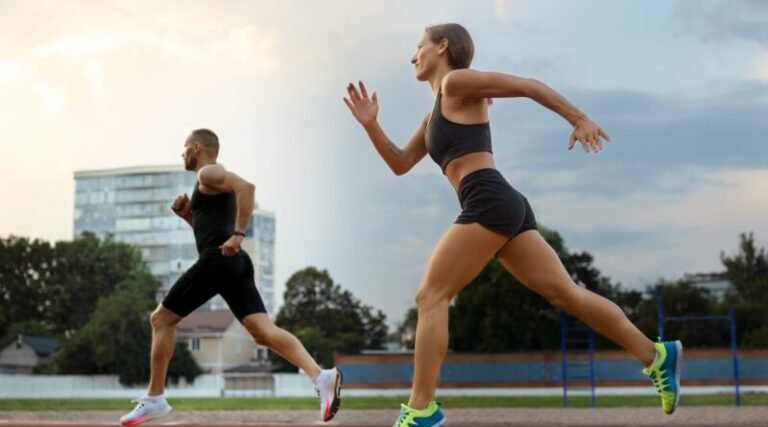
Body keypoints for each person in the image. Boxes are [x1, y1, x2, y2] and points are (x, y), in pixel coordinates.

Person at [343, 24, 681, 427]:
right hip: (500, 203)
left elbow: (526, 84)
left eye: (419, 46)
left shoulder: (456, 82)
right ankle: (656, 355)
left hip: (487, 198)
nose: (413, 56)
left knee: (430, 297)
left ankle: (421, 410)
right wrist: (370, 125)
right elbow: (400, 163)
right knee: (567, 295)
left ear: (443, 47)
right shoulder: (434, 110)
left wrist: (579, 117)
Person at [119, 129, 342, 426]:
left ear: (197, 147)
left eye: (185, 148)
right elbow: (212, 227)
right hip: (233, 263)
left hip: (218, 260)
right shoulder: (207, 184)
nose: (182, 154)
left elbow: (247, 188)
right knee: (263, 332)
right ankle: (321, 376)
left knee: (161, 320)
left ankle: (155, 398)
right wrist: (188, 216)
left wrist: (238, 235)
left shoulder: (209, 172)